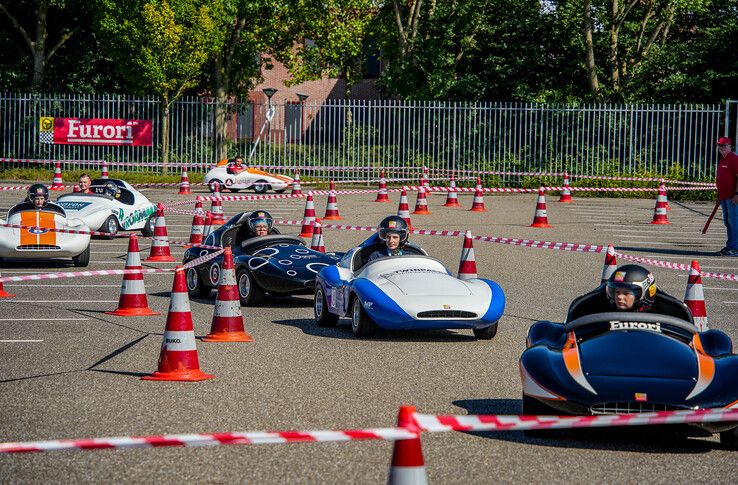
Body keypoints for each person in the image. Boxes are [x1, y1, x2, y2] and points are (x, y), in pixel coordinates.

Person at [716, 137, 738, 256]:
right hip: (724, 197)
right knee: (728, 222)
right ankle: (730, 245)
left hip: (732, 197)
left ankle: (735, 247)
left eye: (724, 145)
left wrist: (736, 194)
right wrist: (719, 194)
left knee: (734, 222)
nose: (721, 148)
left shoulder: (734, 159)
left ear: (730, 146)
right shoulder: (722, 159)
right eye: (719, 145)